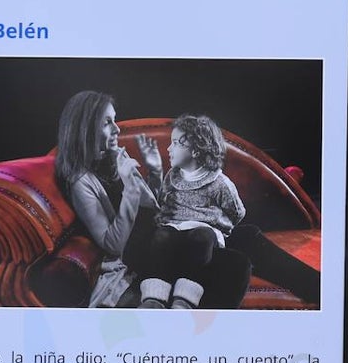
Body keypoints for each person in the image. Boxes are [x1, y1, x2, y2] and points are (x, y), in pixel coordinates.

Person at [54, 92, 253, 309]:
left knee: (243, 249)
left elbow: (153, 207)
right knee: (237, 262)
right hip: (145, 249)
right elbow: (113, 243)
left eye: (115, 120)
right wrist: (130, 188)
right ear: (86, 129)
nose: (116, 129)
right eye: (107, 123)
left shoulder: (115, 157)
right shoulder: (81, 182)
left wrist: (155, 171)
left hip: (165, 235)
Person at [137, 114, 245, 309]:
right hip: (174, 228)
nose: (169, 148)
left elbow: (237, 212)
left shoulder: (219, 183)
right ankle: (154, 299)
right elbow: (163, 200)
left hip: (202, 230)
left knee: (202, 237)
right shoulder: (172, 175)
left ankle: (184, 301)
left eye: (176, 143)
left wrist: (219, 226)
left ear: (196, 151)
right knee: (161, 236)